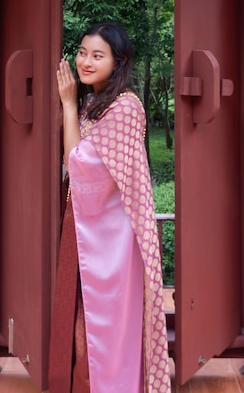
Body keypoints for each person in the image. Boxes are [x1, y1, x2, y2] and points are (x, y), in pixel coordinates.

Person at [49, 22, 171, 393]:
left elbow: (77, 164)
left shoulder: (124, 107)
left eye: (97, 55)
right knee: (82, 314)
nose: (85, 61)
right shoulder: (96, 103)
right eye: (83, 52)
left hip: (114, 238)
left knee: (107, 320)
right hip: (88, 225)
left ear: (119, 61)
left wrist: (68, 105)